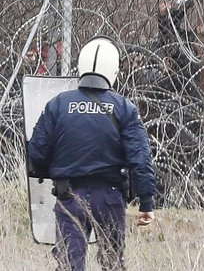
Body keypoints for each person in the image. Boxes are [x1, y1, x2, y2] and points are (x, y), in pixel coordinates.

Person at [27, 36, 157, 271]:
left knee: (69, 265)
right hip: (110, 196)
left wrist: (54, 171)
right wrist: (146, 201)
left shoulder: (58, 104)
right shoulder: (124, 108)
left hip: (69, 195)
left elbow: (36, 152)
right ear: (113, 70)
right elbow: (140, 158)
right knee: (112, 264)